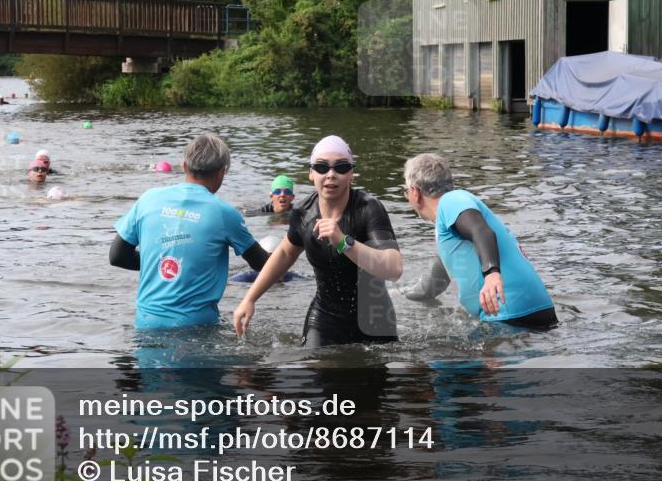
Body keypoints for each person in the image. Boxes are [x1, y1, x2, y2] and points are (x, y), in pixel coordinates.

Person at [233, 135, 403, 347]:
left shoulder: (369, 209)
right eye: (322, 167)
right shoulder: (303, 214)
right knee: (312, 370)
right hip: (325, 316)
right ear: (311, 174)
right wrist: (250, 298)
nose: (331, 174)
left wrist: (344, 242)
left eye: (341, 167)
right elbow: (285, 254)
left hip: (375, 316)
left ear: (351, 174)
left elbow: (393, 268)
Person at [110, 134, 270, 329]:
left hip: (146, 324)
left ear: (184, 165)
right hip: (196, 327)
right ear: (222, 172)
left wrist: (162, 264)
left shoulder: (147, 199)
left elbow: (117, 256)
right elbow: (262, 263)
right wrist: (292, 248)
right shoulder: (225, 214)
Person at [402, 153, 557, 328]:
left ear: (415, 192)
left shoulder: (451, 200)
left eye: (406, 191)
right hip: (532, 311)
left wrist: (492, 275)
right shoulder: (451, 227)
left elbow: (481, 231)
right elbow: (433, 284)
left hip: (508, 312)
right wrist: (399, 294)